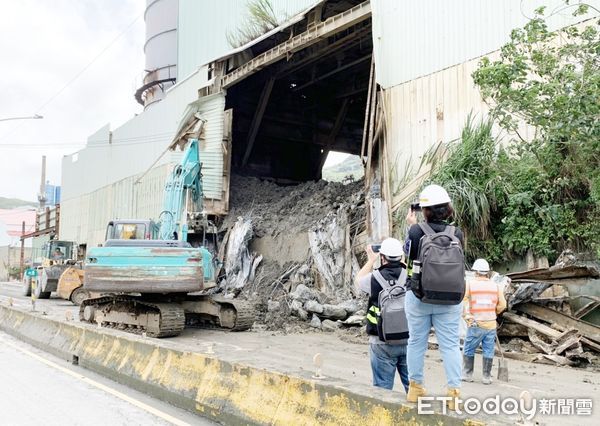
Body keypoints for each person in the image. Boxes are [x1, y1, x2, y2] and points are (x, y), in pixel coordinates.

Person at [404, 184, 464, 410]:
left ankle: (416, 388)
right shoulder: (456, 233)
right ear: (447, 208)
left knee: (416, 343)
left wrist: (412, 228)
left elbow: (408, 257)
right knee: (449, 345)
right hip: (449, 300)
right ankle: (454, 394)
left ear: (424, 210)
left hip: (419, 296)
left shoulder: (416, 231)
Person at [355, 238, 410, 393]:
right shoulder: (409, 276)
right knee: (413, 388)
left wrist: (371, 260)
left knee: (382, 391)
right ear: (400, 256)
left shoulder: (374, 278)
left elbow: (358, 280)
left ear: (382, 257)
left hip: (381, 342)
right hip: (408, 340)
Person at [462, 258, 507, 384]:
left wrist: (467, 316)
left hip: (475, 323)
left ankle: (467, 374)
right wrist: (494, 312)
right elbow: (503, 305)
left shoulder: (470, 284)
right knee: (488, 350)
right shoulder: (496, 286)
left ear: (476, 272)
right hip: (491, 324)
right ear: (488, 272)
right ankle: (486, 377)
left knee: (469, 349)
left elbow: (464, 301)